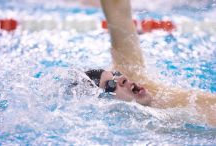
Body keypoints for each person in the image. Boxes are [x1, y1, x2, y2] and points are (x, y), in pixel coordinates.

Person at [85, 0, 216, 126]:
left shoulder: (137, 78)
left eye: (116, 74)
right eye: (111, 85)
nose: (122, 78)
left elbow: (117, 9)